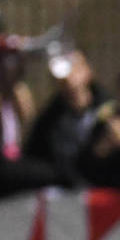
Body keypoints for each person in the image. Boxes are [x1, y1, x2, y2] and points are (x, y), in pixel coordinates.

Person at [23, 48, 103, 186]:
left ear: (88, 72)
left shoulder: (110, 111)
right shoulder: (48, 121)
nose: (69, 77)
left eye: (75, 69)